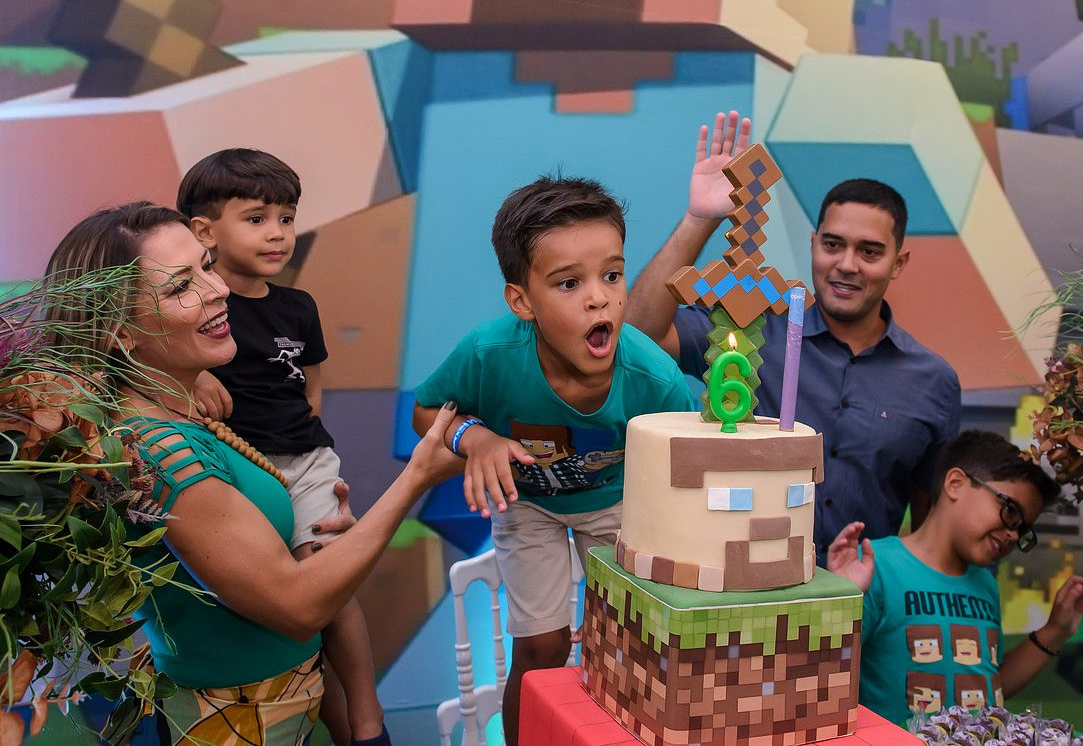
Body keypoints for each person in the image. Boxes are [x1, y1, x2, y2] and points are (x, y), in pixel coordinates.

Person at [44, 202, 465, 745]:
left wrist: (326, 548)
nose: (218, 290)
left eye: (206, 266)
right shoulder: (161, 452)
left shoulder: (176, 413)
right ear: (120, 333)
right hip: (237, 720)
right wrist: (417, 476)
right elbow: (297, 607)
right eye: (181, 287)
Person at [411, 176, 694, 745]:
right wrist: (475, 438)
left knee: (625, 643)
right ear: (522, 302)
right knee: (541, 647)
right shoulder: (489, 353)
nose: (599, 298)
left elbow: (681, 468)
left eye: (612, 276)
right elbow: (426, 412)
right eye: (569, 283)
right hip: (530, 503)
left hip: (616, 502)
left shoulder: (655, 377)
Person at [626, 110, 961, 559]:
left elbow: (930, 534)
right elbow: (639, 335)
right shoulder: (749, 323)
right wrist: (700, 218)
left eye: (870, 251)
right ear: (813, 244)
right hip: (743, 579)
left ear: (898, 263)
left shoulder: (934, 381)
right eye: (833, 244)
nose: (846, 264)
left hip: (859, 594)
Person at [175, 148, 385, 746]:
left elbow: (311, 383)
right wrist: (197, 377)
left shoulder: (298, 306)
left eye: (286, 219)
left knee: (326, 578)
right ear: (204, 232)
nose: (278, 233)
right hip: (236, 469)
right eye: (257, 218)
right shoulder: (195, 310)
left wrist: (305, 444)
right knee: (292, 606)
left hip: (306, 459)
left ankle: (366, 718)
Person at [826, 430, 1083, 727]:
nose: (1013, 534)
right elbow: (822, 677)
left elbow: (986, 689)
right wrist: (839, 602)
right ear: (955, 484)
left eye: (1023, 530)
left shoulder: (985, 584)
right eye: (1010, 511)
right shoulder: (873, 567)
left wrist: (1055, 631)